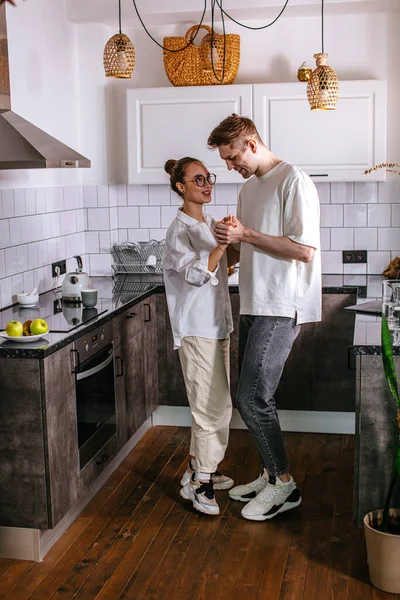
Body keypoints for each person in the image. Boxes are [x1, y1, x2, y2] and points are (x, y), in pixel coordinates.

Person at [208, 114, 321, 522]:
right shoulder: (248, 190)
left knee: (252, 398)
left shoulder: (294, 181)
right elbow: (246, 249)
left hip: (282, 303)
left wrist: (246, 236)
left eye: (233, 156)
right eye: (224, 160)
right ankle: (269, 473)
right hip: (254, 302)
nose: (229, 166)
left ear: (252, 143)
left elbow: (304, 249)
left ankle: (284, 484)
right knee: (253, 396)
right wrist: (224, 246)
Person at [163, 156, 238, 516]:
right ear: (181, 187)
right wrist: (221, 245)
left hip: (217, 325)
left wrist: (231, 240)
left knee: (213, 405)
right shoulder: (179, 231)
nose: (207, 184)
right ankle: (201, 484)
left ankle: (198, 468)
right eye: (198, 180)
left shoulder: (206, 222)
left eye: (208, 177)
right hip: (196, 330)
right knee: (212, 408)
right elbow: (195, 274)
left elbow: (223, 267)